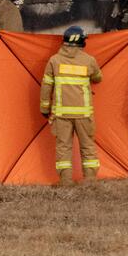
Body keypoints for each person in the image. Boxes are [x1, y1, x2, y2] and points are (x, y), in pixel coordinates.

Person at [39, 25, 103, 185]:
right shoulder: (89, 60)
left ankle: (66, 181)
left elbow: (46, 86)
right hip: (84, 115)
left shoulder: (54, 60)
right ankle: (90, 181)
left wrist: (44, 108)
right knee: (87, 146)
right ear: (82, 42)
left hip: (62, 115)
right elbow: (98, 78)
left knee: (63, 148)